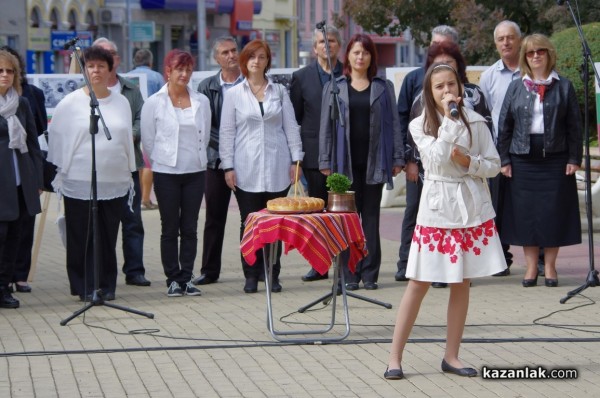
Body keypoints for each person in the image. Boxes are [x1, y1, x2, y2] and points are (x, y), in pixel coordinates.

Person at [385, 63, 506, 380]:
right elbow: (436, 158)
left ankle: (451, 355)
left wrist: (470, 162)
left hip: (469, 207)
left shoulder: (478, 122)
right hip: (437, 209)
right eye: (439, 86)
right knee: (418, 282)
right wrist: (451, 123)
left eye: (451, 84)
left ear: (460, 87)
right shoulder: (418, 125)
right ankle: (394, 357)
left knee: (461, 282)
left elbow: (493, 165)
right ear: (430, 91)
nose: (447, 90)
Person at [47, 46, 136, 302]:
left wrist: (130, 170)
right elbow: (58, 139)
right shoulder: (70, 102)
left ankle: (107, 285)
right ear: (84, 70)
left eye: (101, 66)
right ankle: (84, 285)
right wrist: (59, 173)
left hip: (114, 179)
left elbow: (126, 139)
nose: (96, 71)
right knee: (81, 235)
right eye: (91, 66)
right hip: (79, 178)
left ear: (110, 71)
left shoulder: (121, 102)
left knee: (108, 236)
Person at [319, 33, 404, 291]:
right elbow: (326, 127)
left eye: (365, 53)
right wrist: (325, 159)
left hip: (374, 161)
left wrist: (397, 157)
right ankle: (349, 272)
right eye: (356, 52)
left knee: (370, 218)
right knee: (347, 220)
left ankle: (369, 274)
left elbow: (394, 125)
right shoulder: (334, 87)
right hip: (343, 164)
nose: (360, 57)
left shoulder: (383, 87)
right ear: (348, 56)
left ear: (371, 57)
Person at [497, 34, 582, 288]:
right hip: (522, 159)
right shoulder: (516, 87)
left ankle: (552, 267)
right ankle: (532, 267)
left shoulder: (564, 86)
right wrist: (504, 159)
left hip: (556, 159)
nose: (536, 56)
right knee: (527, 215)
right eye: (531, 53)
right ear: (525, 57)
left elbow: (574, 127)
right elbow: (505, 126)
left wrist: (574, 158)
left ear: (549, 54)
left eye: (540, 52)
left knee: (553, 213)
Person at [219, 39, 304, 294]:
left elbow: (291, 127)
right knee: (250, 222)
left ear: (268, 62)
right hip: (246, 168)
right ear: (245, 61)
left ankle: (272, 273)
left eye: (262, 57)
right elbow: (226, 132)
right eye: (252, 56)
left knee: (275, 223)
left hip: (278, 168)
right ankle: (250, 273)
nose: (257, 61)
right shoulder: (234, 94)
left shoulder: (279, 92)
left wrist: (296, 160)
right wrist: (228, 166)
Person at [141, 49, 210, 297]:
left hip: (195, 171)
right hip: (166, 172)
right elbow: (148, 140)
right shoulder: (154, 102)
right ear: (168, 71)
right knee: (169, 227)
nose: (184, 74)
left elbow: (205, 133)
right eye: (179, 69)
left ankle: (187, 277)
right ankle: (172, 278)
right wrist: (162, 160)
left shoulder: (201, 101)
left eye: (188, 69)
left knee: (190, 227)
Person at [395, 25, 459, 285]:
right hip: (419, 164)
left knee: (446, 216)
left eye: (444, 47)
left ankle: (445, 268)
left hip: (452, 166)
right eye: (434, 46)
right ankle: (406, 264)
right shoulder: (413, 79)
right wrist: (408, 159)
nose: (438, 52)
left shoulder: (459, 85)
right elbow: (405, 121)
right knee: (414, 212)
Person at [93, 38, 150, 287]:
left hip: (128, 165)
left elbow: (141, 118)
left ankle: (135, 270)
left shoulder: (130, 89)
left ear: (117, 59)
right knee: (101, 224)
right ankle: (101, 274)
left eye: (112, 54)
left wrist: (128, 134)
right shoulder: (86, 90)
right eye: (102, 55)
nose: (108, 58)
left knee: (132, 219)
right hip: (96, 167)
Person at [290, 25, 343, 283]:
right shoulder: (301, 78)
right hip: (314, 155)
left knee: (344, 212)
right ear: (314, 48)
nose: (327, 45)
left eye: (331, 41)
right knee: (318, 211)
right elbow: (296, 118)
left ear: (339, 46)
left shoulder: (349, 73)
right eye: (322, 41)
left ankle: (346, 265)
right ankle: (319, 264)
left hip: (345, 154)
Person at [192, 37, 243, 286]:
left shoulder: (252, 83)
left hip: (248, 162)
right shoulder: (206, 87)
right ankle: (209, 271)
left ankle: (254, 270)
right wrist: (229, 147)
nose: (231, 55)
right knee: (214, 218)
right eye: (225, 52)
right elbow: (204, 126)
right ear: (217, 58)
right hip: (216, 163)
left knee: (252, 217)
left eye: (234, 50)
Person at [0, 46, 47, 295]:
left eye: (10, 71)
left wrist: (37, 179)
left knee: (17, 235)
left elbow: (33, 144)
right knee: (2, 235)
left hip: (21, 179)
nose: (5, 75)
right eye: (0, 70)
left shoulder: (22, 103)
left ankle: (7, 287)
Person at [479, 20, 523, 276]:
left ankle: (538, 258)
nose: (506, 42)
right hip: (498, 152)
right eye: (501, 39)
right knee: (498, 205)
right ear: (496, 44)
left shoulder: (530, 71)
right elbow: (485, 116)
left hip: (529, 151)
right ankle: (500, 258)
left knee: (530, 204)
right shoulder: (489, 76)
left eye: (510, 37)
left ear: (519, 40)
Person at [130, 48, 165, 212]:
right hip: (153, 123)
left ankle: (137, 197)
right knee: (149, 162)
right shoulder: (157, 77)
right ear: (150, 62)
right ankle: (146, 199)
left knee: (137, 160)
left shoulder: (127, 76)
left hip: (132, 123)